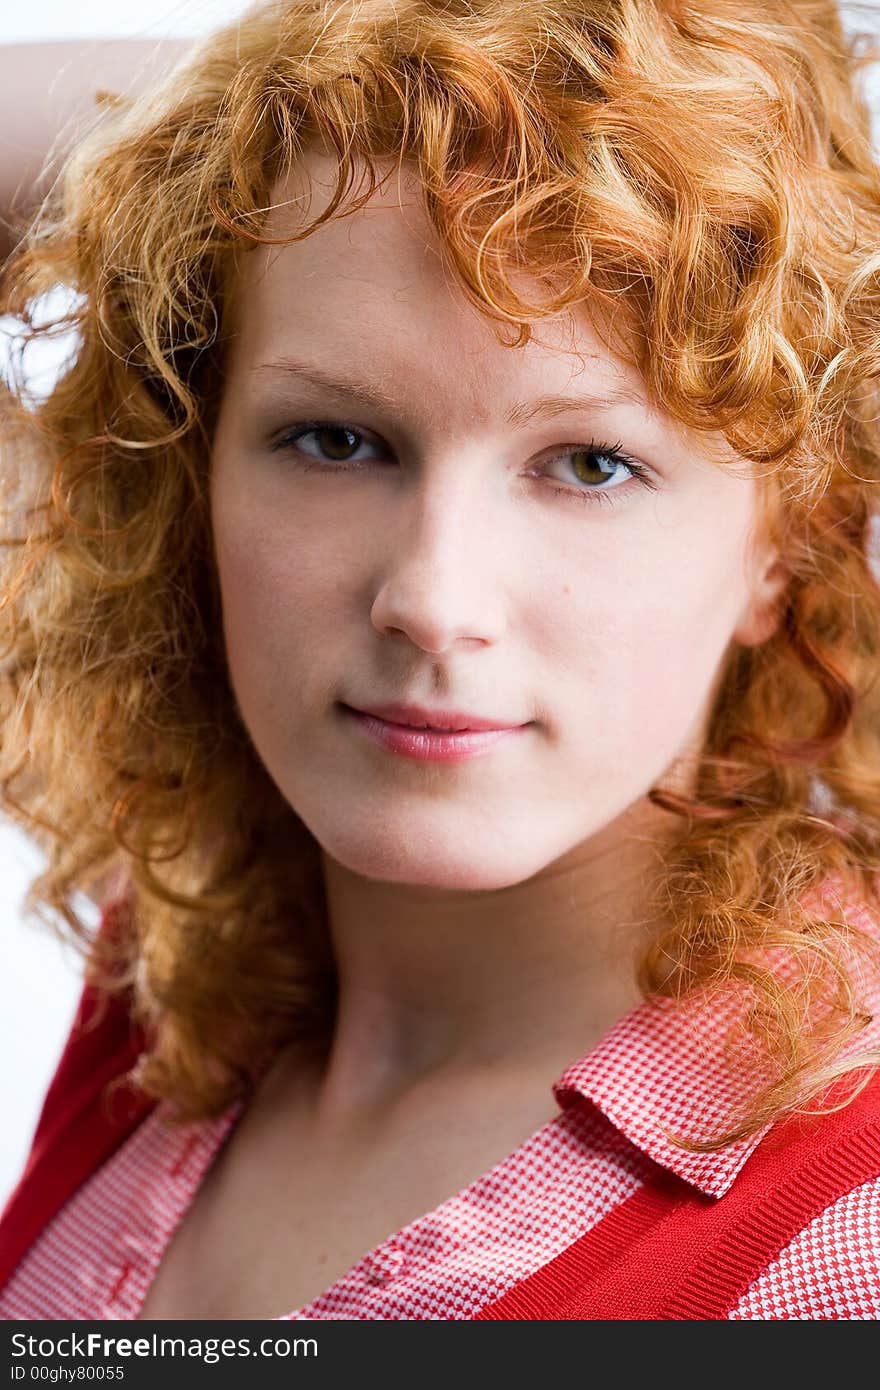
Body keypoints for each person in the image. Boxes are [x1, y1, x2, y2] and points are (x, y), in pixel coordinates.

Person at [1, 0, 880, 1322]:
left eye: (590, 463)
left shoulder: (836, 1240)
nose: (430, 598)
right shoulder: (184, 980)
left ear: (787, 542)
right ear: (197, 470)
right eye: (337, 440)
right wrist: (315, 87)